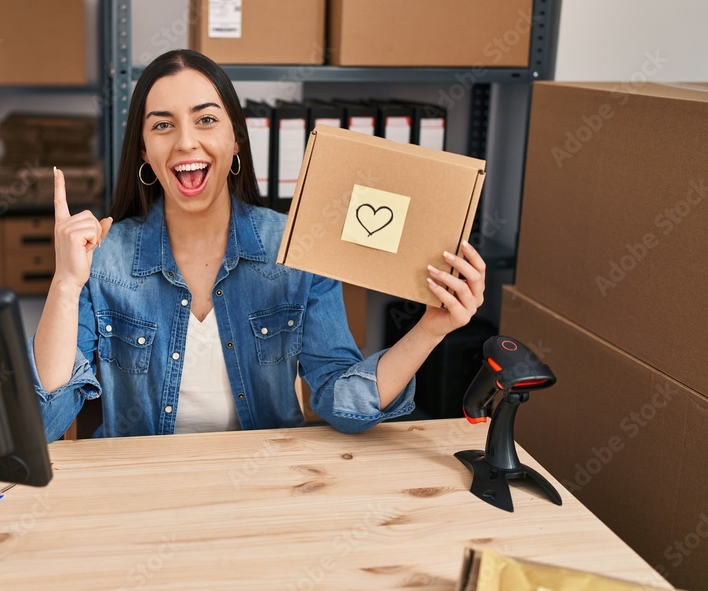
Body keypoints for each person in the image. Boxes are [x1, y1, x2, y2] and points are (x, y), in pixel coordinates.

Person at [30, 49, 486, 442]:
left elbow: (343, 403)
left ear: (236, 141)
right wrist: (66, 285)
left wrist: (431, 329)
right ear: (144, 152)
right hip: (140, 489)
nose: (186, 141)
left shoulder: (295, 247)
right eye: (163, 125)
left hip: (266, 483)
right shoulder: (103, 257)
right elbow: (49, 419)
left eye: (206, 119)